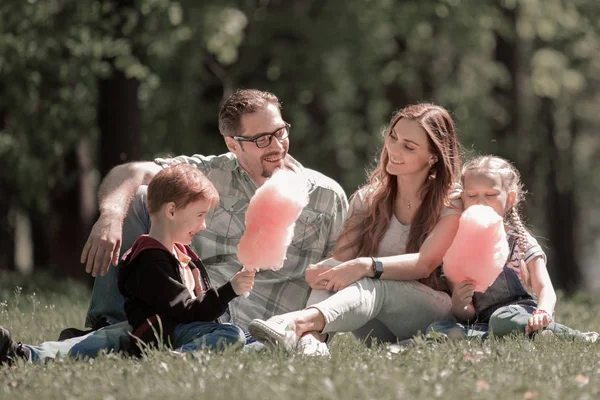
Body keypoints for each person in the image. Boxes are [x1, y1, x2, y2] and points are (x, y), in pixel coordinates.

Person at [39, 88, 348, 359]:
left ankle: (110, 342)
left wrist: (313, 331)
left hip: (265, 327)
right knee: (143, 196)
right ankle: (105, 324)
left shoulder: (325, 197)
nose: (277, 145)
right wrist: (109, 216)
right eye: (261, 139)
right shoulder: (210, 176)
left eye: (280, 131)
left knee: (129, 342)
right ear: (233, 144)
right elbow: (131, 172)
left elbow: (340, 276)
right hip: (198, 313)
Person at [248, 103, 463, 354]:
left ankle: (295, 325)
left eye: (409, 146)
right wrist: (322, 270)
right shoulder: (368, 199)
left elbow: (425, 263)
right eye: (393, 137)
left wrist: (366, 265)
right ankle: (313, 344)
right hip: (377, 327)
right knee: (330, 273)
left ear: (433, 156)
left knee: (372, 280)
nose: (393, 149)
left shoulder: (451, 201)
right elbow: (341, 258)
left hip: (433, 318)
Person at [0, 165, 254, 365]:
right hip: (158, 333)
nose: (204, 225)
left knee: (246, 338)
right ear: (172, 211)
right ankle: (22, 354)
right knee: (232, 336)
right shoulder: (150, 258)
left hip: (176, 329)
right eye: (200, 215)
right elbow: (185, 310)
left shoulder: (182, 255)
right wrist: (229, 290)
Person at [426, 155, 599, 341]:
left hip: (521, 314)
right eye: (472, 195)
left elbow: (544, 288)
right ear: (463, 197)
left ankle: (578, 337)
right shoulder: (457, 245)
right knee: (436, 329)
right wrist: (459, 304)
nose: (480, 202)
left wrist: (543, 312)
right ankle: (508, 338)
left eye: (490, 195)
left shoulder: (520, 240)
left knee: (502, 320)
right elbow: (467, 313)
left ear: (509, 199)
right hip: (482, 322)